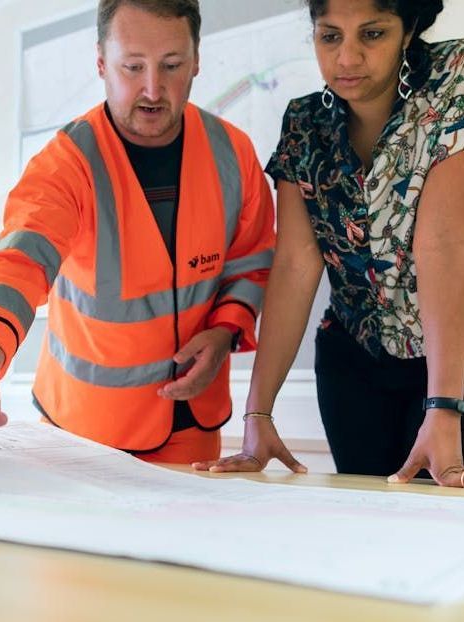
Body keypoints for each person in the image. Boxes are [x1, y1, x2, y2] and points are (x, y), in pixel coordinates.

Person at [0, 0, 275, 464]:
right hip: (84, 434)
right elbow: (18, 260)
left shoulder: (233, 153)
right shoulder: (65, 164)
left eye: (172, 65)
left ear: (197, 60)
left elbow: (251, 261)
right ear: (101, 63)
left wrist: (224, 332)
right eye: (132, 67)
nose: (153, 89)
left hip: (193, 426)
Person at [194, 0, 464, 487]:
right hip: (353, 363)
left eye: (373, 35)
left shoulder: (452, 79)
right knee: (367, 521)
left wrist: (445, 405)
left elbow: (441, 245)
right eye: (330, 36)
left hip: (452, 357)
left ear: (408, 32)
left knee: (442, 522)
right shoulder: (304, 125)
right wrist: (258, 415)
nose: (347, 58)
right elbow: (297, 264)